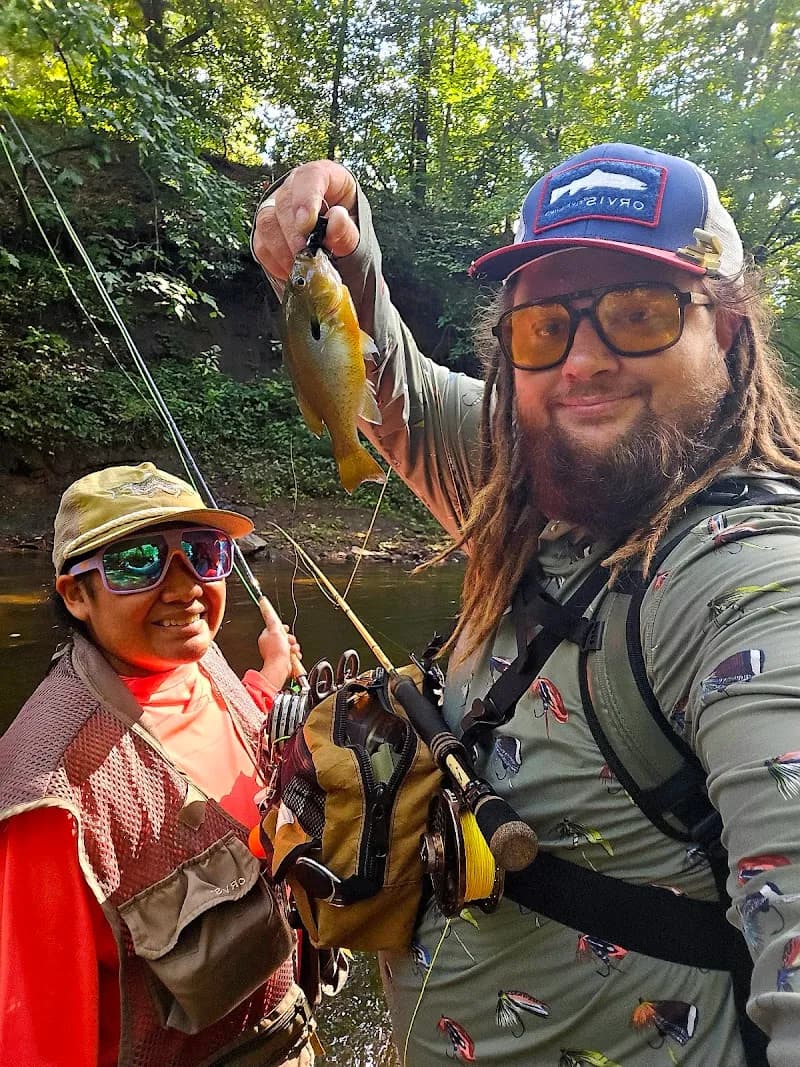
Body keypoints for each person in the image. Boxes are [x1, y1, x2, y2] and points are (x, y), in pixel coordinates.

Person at [252, 143, 800, 1066]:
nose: (584, 360)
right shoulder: (534, 475)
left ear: (731, 333)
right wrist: (341, 258)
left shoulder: (750, 584)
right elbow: (398, 399)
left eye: (639, 313)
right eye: (545, 326)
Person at [0, 462, 319, 1066]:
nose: (185, 587)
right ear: (75, 594)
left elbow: (235, 723)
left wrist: (273, 672)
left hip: (285, 1032)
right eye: (135, 563)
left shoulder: (198, 657)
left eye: (203, 552)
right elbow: (37, 1037)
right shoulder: (51, 802)